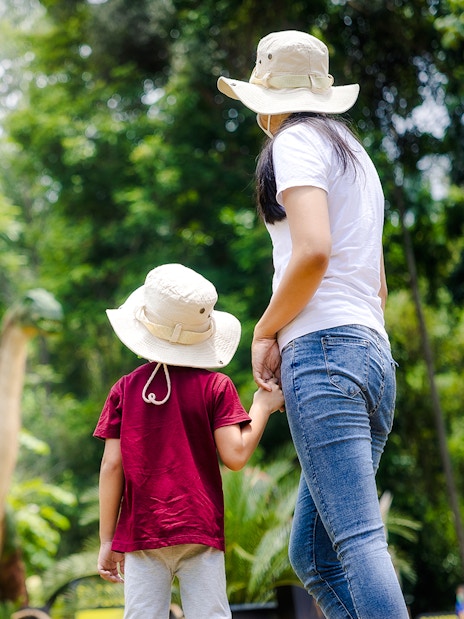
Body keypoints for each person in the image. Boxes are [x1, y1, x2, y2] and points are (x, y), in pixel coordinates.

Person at [217, 30, 408, 619]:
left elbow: (313, 252)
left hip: (324, 353)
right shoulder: (355, 155)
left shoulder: (296, 142)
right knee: (314, 556)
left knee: (355, 542)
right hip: (372, 355)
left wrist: (265, 329)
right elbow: (376, 283)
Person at [94, 263, 284, 619]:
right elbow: (237, 454)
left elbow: (112, 465)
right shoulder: (216, 387)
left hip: (141, 532)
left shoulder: (124, 390)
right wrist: (261, 405)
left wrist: (108, 540)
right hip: (198, 527)